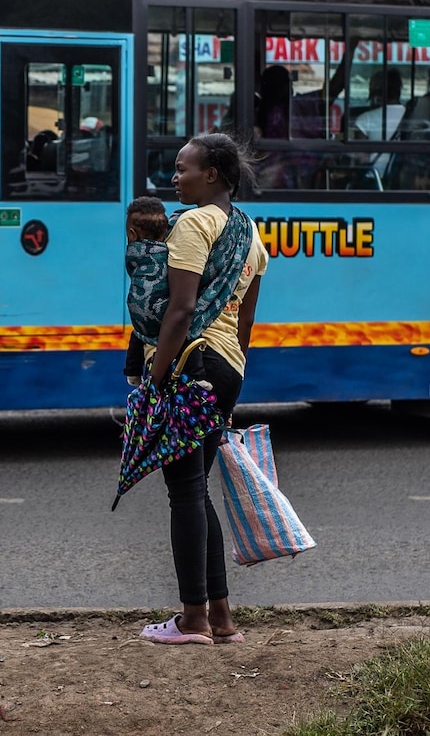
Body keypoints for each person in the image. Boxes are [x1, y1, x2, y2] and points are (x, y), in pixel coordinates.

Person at [138, 132, 268, 646]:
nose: (174, 178)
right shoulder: (250, 233)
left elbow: (180, 309)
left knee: (185, 492)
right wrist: (228, 391)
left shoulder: (193, 224)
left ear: (211, 174)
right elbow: (246, 323)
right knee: (196, 489)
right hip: (227, 367)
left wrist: (153, 383)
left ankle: (192, 620)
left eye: (182, 168)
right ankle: (221, 618)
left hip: (190, 365)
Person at [123, 195, 171, 386]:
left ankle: (132, 373)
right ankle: (199, 376)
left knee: (137, 334)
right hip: (165, 319)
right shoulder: (171, 253)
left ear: (132, 234)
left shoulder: (133, 254)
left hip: (141, 319)